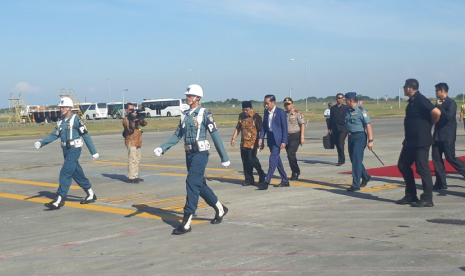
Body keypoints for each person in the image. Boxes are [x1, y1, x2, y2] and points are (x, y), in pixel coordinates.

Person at [153, 84, 231, 235]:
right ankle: (220, 208)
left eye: (190, 96)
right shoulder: (185, 114)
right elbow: (177, 135)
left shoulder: (205, 113)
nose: (187, 98)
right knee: (199, 185)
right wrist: (163, 147)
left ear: (198, 98)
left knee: (191, 183)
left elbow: (215, 135)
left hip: (200, 154)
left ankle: (186, 222)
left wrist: (224, 157)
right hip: (189, 154)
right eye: (187, 96)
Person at [34, 97, 100, 210]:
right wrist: (41, 143)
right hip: (66, 150)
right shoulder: (61, 121)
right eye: (60, 107)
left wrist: (93, 152)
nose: (61, 109)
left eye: (63, 107)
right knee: (76, 173)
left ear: (69, 108)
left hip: (74, 149)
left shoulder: (76, 119)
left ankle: (59, 199)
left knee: (65, 173)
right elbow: (54, 135)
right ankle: (90, 193)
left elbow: (85, 135)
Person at [396, 78, 441, 207]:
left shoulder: (420, 99)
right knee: (403, 165)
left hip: (421, 141)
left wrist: (430, 125)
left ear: (409, 88)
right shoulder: (412, 101)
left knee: (422, 169)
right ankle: (411, 195)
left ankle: (427, 198)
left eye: (405, 87)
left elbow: (436, 112)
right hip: (410, 140)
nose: (404, 89)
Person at [432, 83, 465, 190]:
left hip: (448, 135)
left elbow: (449, 117)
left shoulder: (451, 103)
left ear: (442, 90)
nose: (435, 92)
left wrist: (440, 107)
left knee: (451, 158)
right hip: (437, 135)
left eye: (437, 90)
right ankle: (441, 183)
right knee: (436, 159)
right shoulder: (438, 103)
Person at [257, 95, 289, 190]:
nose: (265, 105)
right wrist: (261, 138)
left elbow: (284, 128)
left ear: (273, 102)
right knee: (276, 160)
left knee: (272, 160)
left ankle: (267, 181)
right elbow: (264, 127)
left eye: (267, 103)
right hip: (270, 138)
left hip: (277, 139)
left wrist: (284, 140)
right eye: (265, 103)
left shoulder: (280, 112)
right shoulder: (266, 112)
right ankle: (285, 180)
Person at [231, 101, 266, 186]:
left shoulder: (256, 117)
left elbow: (261, 130)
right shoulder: (241, 116)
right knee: (245, 160)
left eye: (247, 110)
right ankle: (249, 179)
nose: (245, 111)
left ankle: (261, 174)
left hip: (253, 142)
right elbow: (238, 127)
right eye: (243, 110)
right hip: (243, 142)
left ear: (251, 109)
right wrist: (233, 138)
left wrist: (261, 141)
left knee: (252, 159)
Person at [344, 92, 373, 191]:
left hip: (360, 137)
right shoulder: (347, 110)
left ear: (350, 100)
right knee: (354, 159)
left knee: (356, 160)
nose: (345, 101)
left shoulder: (361, 111)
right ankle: (365, 176)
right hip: (350, 137)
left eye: (346, 100)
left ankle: (355, 184)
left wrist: (370, 140)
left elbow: (368, 125)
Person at [123, 103, 147, 184]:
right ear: (126, 110)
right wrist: (133, 120)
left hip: (138, 141)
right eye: (130, 110)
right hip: (131, 141)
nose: (132, 111)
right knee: (132, 160)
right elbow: (130, 130)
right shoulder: (126, 119)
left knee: (137, 159)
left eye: (133, 109)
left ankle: (135, 176)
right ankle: (131, 177)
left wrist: (140, 119)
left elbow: (144, 124)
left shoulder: (135, 117)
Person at [283, 97, 305, 180]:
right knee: (289, 156)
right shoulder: (283, 114)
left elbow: (302, 124)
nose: (287, 106)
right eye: (285, 104)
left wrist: (302, 137)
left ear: (292, 104)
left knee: (291, 153)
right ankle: (295, 170)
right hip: (286, 136)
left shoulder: (297, 113)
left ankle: (295, 171)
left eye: (288, 104)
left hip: (295, 136)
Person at [329, 93, 349, 166]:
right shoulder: (333, 108)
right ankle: (340, 158)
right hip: (335, 128)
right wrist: (329, 128)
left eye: (341, 98)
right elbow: (330, 119)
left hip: (343, 128)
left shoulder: (346, 108)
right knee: (337, 143)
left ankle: (341, 160)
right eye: (339, 98)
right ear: (336, 99)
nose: (340, 99)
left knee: (340, 143)